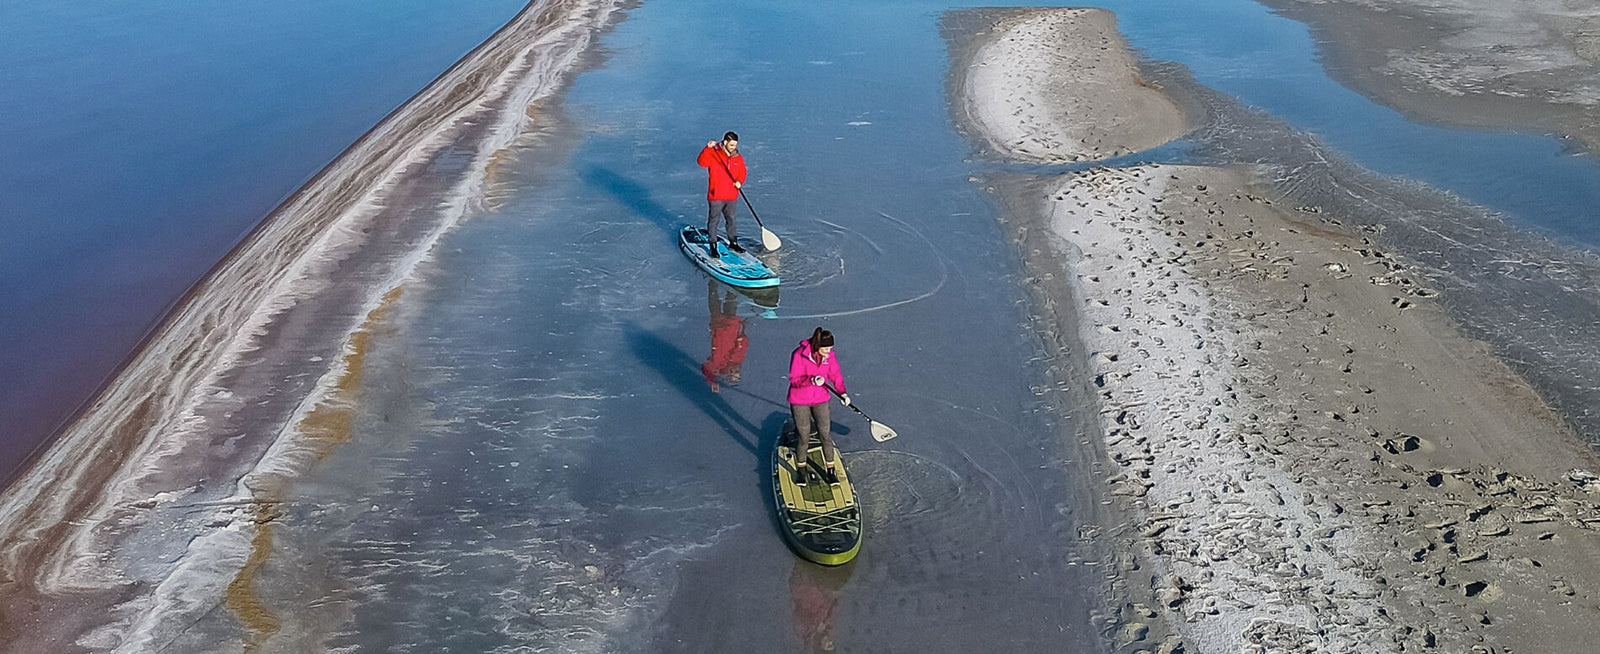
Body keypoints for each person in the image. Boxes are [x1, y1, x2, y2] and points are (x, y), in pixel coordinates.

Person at [787, 327, 850, 486]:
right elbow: (794, 380)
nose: (829, 351)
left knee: (825, 435)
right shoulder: (798, 355)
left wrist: (842, 393)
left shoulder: (829, 356)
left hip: (821, 399)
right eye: (826, 348)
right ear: (817, 346)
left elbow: (835, 374)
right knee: (804, 436)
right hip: (800, 400)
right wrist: (812, 380)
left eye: (830, 348)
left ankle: (831, 471)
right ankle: (801, 471)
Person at [697, 131, 747, 259]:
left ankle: (733, 243)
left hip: (731, 195)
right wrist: (707, 148)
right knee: (714, 220)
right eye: (731, 145)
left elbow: (742, 172)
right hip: (716, 195)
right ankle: (713, 246)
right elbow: (701, 162)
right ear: (725, 142)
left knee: (731, 219)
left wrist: (739, 182)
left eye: (735, 145)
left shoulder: (737, 157)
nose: (733, 147)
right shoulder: (714, 154)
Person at [701, 281, 749, 393]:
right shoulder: (738, 359)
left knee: (714, 299)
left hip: (718, 327)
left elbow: (706, 368)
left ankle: (712, 282)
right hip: (731, 325)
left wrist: (711, 381)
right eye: (737, 372)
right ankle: (730, 283)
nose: (735, 370)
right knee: (731, 300)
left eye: (733, 373)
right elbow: (743, 343)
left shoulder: (718, 364)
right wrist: (742, 337)